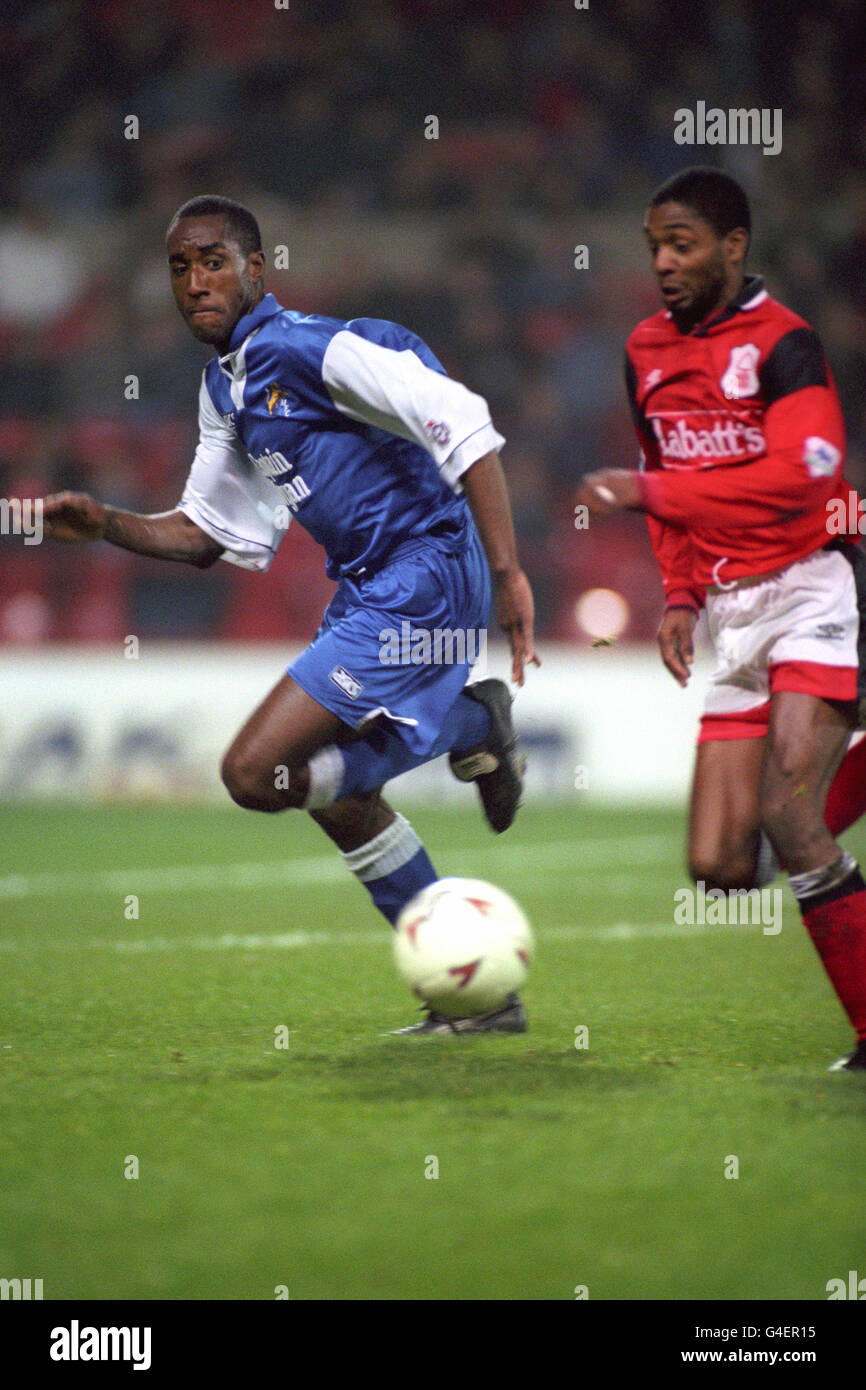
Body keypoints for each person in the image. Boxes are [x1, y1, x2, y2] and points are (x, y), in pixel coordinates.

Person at [41, 195, 539, 1035]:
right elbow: (205, 535)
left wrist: (510, 570)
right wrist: (107, 523)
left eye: (212, 261)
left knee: (252, 773)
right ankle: (483, 1004)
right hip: (371, 586)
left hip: (426, 572)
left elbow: (464, 419)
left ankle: (464, 724)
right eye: (179, 267)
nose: (195, 281)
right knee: (333, 797)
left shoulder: (310, 347)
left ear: (256, 270)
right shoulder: (226, 385)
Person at [576, 166, 866, 1072]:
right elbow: (677, 501)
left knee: (789, 808)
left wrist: (650, 489)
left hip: (814, 582)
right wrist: (679, 596)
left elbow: (809, 471)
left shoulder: (785, 343)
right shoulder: (645, 351)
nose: (663, 261)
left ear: (734, 248)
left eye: (683, 244)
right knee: (720, 868)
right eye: (654, 245)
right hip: (733, 607)